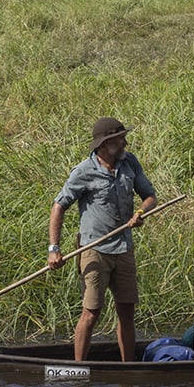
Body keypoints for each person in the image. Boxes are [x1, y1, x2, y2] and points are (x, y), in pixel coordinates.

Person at [49, 117, 158, 361]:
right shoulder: (84, 172)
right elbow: (58, 206)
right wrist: (54, 249)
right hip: (93, 250)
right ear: (106, 143)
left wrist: (140, 213)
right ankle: (78, 368)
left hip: (123, 248)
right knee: (91, 312)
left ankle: (128, 368)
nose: (125, 142)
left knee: (126, 311)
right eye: (120, 139)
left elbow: (150, 196)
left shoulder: (129, 163)